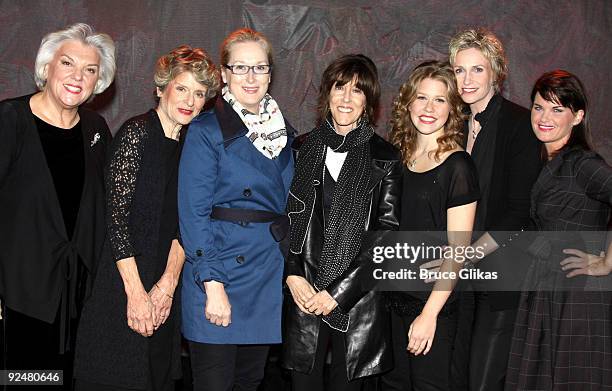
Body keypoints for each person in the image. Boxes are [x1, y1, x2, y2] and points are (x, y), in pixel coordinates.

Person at [73, 45, 219, 391]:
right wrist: (137, 294)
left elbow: (190, 223)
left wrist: (166, 288)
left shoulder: (193, 146)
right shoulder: (136, 133)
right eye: (181, 88)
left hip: (163, 283)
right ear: (161, 88)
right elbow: (116, 221)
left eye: (199, 93)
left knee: (155, 377)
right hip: (121, 281)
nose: (190, 100)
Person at [178, 28, 295, 391]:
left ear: (270, 75)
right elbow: (193, 214)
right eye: (240, 67)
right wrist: (213, 285)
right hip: (217, 272)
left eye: (259, 68)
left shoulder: (286, 133)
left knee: (250, 381)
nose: (250, 77)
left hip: (263, 275)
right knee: (215, 383)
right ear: (225, 74)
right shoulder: (206, 131)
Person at [0, 23, 115, 387]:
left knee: (61, 381)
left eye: (90, 70)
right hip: (18, 296)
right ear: (46, 67)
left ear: (99, 81)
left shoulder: (96, 129)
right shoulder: (9, 120)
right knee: (22, 381)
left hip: (78, 297)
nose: (77, 77)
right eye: (67, 63)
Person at [282, 54, 401, 391]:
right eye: (339, 88)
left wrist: (337, 293)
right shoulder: (301, 148)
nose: (347, 99)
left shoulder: (386, 158)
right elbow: (289, 218)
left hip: (357, 300)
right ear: (327, 94)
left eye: (357, 91)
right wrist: (292, 274)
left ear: (369, 101)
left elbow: (386, 237)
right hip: (304, 291)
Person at [447, 28, 542, 391]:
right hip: (456, 278)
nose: (467, 80)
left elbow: (520, 211)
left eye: (478, 70)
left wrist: (469, 255)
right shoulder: (452, 124)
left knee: (482, 380)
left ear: (497, 73)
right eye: (459, 70)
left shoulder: (520, 124)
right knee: (454, 376)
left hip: (500, 272)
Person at [506, 70, 612, 390]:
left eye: (557, 109)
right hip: (546, 287)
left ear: (577, 116)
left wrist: (608, 260)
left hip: (579, 295)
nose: (544, 117)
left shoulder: (582, 164)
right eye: (539, 107)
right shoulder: (549, 160)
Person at [381, 60, 479, 390]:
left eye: (439, 100)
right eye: (422, 97)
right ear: (407, 101)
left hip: (433, 306)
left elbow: (459, 250)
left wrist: (428, 315)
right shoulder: (398, 156)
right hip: (392, 300)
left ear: (452, 108)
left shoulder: (458, 165)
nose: (429, 108)